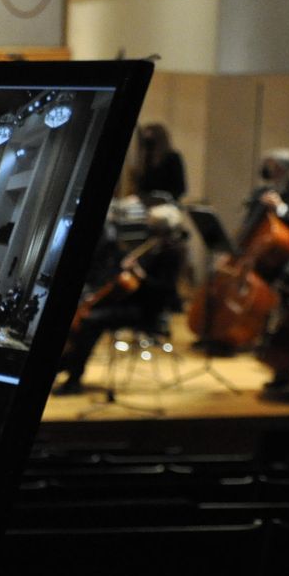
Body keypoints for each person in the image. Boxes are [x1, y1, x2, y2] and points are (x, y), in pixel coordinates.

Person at [53, 203, 188, 395]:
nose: (148, 230)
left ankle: (73, 378)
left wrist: (139, 274)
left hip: (148, 310)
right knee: (85, 316)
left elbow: (164, 290)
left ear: (163, 228)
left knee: (91, 322)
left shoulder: (172, 253)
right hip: (133, 303)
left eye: (153, 226)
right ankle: (68, 365)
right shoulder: (155, 246)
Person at [244, 147, 289, 273]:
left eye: (270, 165)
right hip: (259, 258)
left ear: (280, 167)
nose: (266, 169)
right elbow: (248, 226)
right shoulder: (261, 193)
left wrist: (280, 208)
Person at [134, 124, 186, 201]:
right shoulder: (144, 160)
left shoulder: (172, 158)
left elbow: (180, 188)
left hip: (166, 203)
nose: (149, 146)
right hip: (145, 201)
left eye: (151, 142)